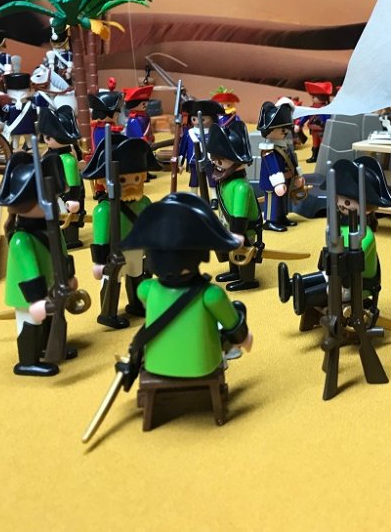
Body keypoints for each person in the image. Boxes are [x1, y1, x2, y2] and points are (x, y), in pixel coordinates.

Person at [120, 192, 253, 380]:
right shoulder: (211, 295)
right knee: (236, 310)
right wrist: (244, 338)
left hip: (157, 363)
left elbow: (147, 303)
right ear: (200, 255)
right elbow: (232, 323)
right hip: (200, 364)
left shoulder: (147, 289)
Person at [278, 157, 391, 331]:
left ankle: (303, 296)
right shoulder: (342, 227)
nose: (341, 204)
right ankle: (292, 286)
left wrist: (336, 262)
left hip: (358, 283)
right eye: (338, 199)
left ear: (367, 207)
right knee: (322, 276)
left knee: (328, 287)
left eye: (347, 202)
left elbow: (353, 263)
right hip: (340, 274)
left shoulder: (365, 236)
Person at [0, 151, 78, 377]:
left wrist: (69, 276)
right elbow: (29, 271)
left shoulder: (51, 229)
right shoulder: (21, 239)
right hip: (28, 296)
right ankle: (28, 361)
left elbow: (61, 253)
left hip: (51, 286)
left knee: (51, 320)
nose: (57, 205)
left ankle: (47, 348)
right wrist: (36, 299)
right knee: (30, 324)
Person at [83, 133, 160, 328]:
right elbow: (100, 237)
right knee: (112, 281)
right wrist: (99, 262)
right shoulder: (104, 210)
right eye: (123, 180)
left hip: (137, 249)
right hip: (113, 253)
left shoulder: (144, 202)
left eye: (137, 178)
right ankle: (108, 313)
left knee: (137, 275)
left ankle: (137, 304)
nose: (132, 184)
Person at [207, 122, 263, 291]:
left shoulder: (241, 187)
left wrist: (238, 233)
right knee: (232, 251)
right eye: (214, 159)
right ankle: (234, 272)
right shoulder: (225, 183)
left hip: (244, 228)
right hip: (229, 225)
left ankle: (247, 278)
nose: (216, 163)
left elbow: (240, 213)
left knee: (244, 252)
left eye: (220, 160)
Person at [38, 104, 85, 249]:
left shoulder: (68, 160)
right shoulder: (47, 154)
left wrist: (72, 198)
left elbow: (74, 183)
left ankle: (70, 240)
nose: (47, 138)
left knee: (69, 221)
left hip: (65, 196)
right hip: (52, 194)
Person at [257, 100, 305, 232]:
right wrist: (278, 183)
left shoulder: (283, 146)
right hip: (272, 182)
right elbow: (272, 167)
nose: (285, 132)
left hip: (285, 179)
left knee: (283, 201)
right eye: (281, 130)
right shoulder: (268, 150)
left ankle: (281, 217)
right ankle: (270, 220)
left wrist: (297, 175)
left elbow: (292, 162)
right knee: (273, 201)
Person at [301, 81, 333, 163]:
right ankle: (314, 156)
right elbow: (305, 117)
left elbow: (328, 119)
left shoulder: (326, 109)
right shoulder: (311, 108)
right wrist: (299, 124)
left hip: (323, 130)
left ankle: (323, 157)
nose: (312, 98)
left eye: (314, 96)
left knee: (323, 144)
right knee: (315, 144)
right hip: (313, 130)